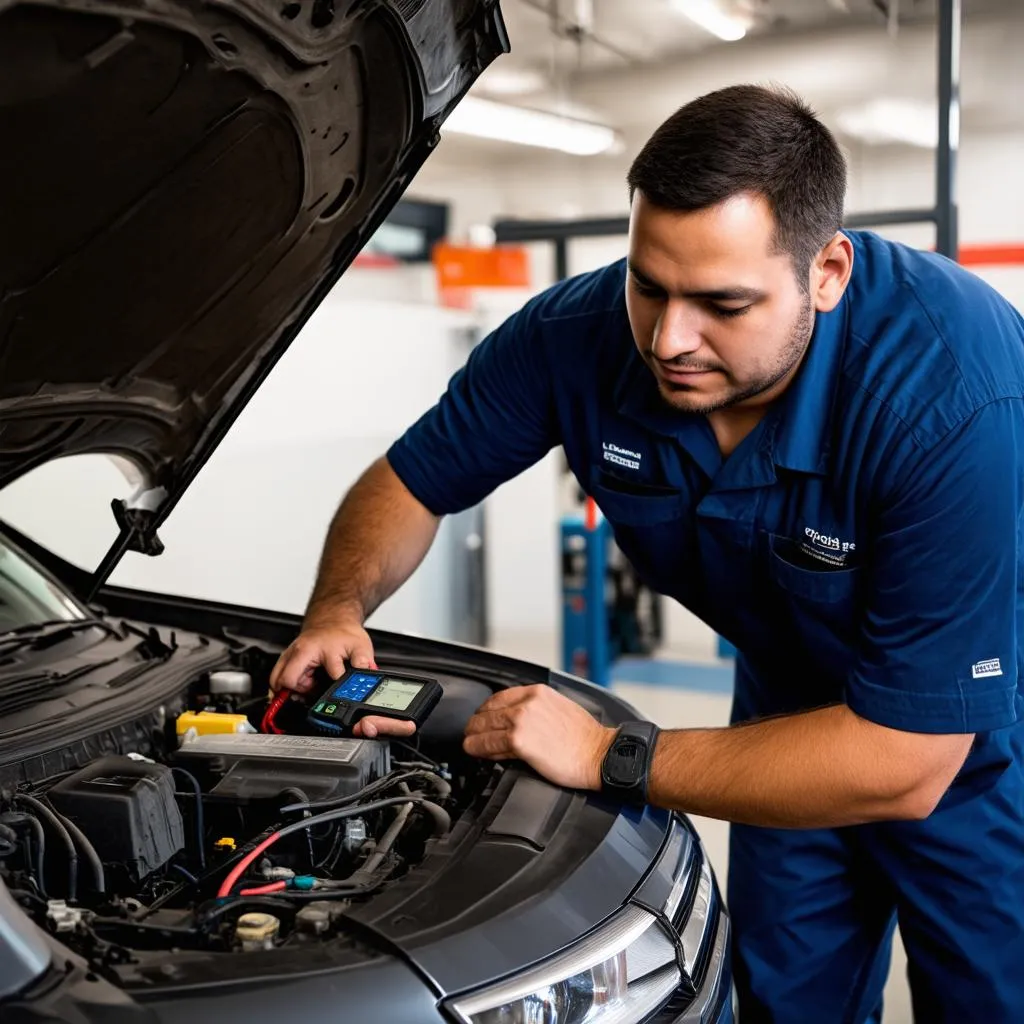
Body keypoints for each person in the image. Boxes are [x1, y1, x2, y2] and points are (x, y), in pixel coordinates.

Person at [271, 84, 1024, 1021]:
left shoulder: (953, 392)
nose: (669, 338)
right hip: (788, 700)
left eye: (722, 303)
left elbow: (912, 763)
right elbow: (413, 483)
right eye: (648, 284)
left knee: (994, 994)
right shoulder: (575, 337)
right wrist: (340, 608)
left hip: (974, 723)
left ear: (826, 273)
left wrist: (613, 754)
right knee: (787, 996)